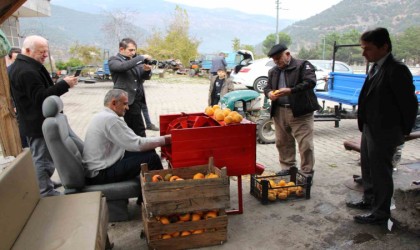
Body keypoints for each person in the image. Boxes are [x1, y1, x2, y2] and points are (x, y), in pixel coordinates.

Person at [346, 27, 418, 225]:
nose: (363, 53)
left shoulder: (397, 69)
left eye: (367, 49)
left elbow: (409, 104)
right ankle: (369, 200)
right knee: (368, 169)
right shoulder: (376, 66)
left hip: (386, 132)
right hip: (370, 127)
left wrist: (403, 131)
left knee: (381, 173)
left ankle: (380, 213)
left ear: (384, 46)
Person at [9, 35, 78, 197]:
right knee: (41, 159)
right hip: (36, 123)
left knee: (44, 157)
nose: (45, 55)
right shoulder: (26, 71)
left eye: (46, 52)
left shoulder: (29, 66)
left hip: (37, 121)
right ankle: (45, 191)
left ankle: (45, 182)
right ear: (27, 50)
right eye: (41, 52)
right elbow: (41, 98)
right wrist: (64, 85)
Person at [82, 89, 171, 186]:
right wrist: (166, 139)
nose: (127, 108)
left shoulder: (103, 115)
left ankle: (144, 196)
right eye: (125, 104)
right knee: (152, 159)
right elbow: (137, 144)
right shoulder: (110, 119)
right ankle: (162, 192)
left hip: (102, 165)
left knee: (149, 151)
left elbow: (133, 143)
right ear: (114, 103)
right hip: (99, 174)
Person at [263, 44, 321, 176]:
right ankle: (288, 167)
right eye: (274, 59)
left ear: (287, 54)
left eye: (279, 58)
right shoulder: (273, 71)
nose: (277, 61)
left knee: (305, 143)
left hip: (300, 111)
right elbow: (267, 87)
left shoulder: (302, 65)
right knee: (283, 142)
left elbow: (310, 82)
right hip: (280, 111)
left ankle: (307, 170)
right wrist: (269, 94)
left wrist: (291, 90)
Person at [108, 37, 156, 137]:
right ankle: (142, 150)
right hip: (126, 101)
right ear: (121, 49)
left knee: (134, 129)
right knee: (138, 129)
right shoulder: (114, 60)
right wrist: (141, 58)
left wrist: (147, 71)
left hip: (138, 99)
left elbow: (143, 77)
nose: (133, 53)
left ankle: (135, 149)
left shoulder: (134, 60)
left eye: (134, 50)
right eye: (130, 50)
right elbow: (123, 67)